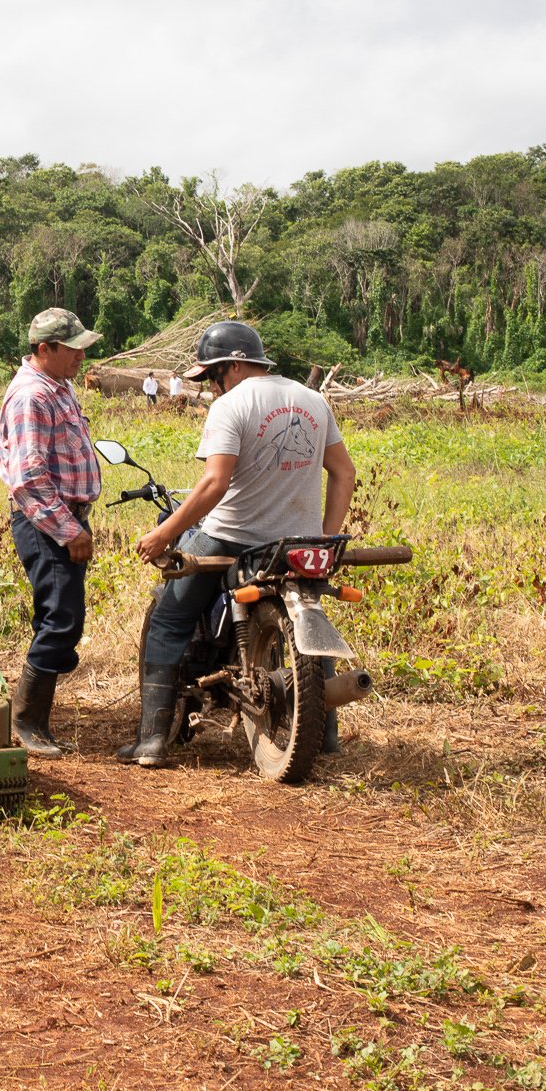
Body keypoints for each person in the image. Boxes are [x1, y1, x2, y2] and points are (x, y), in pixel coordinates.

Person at [121, 320, 357, 766]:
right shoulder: (313, 400)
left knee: (168, 621)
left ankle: (151, 741)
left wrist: (164, 533)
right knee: (314, 617)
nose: (212, 387)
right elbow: (345, 473)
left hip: (231, 537)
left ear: (232, 366)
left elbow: (214, 484)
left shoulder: (231, 405)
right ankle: (326, 740)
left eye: (212, 376)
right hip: (293, 544)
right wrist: (323, 538)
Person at [0, 307, 104, 757]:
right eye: (73, 349)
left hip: (63, 518)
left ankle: (36, 718)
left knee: (60, 616)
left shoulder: (59, 386)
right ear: (45, 349)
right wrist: (68, 530)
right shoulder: (32, 397)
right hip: (46, 521)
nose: (82, 356)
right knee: (61, 618)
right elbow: (28, 478)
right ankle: (25, 721)